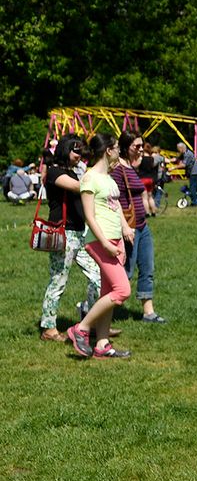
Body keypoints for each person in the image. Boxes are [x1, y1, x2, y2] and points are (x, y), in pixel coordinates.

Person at [66, 134, 135, 358]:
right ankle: (81, 328)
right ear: (108, 151)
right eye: (116, 148)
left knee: (109, 292)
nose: (119, 152)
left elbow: (115, 209)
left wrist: (123, 237)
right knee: (122, 290)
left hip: (114, 241)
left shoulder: (109, 179)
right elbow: (90, 216)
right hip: (99, 241)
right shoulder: (90, 178)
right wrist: (105, 243)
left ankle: (102, 345)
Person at [38, 135, 102, 343]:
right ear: (66, 150)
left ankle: (90, 322)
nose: (79, 156)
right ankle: (48, 328)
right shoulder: (55, 172)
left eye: (81, 152)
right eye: (76, 151)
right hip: (62, 234)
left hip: (80, 234)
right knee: (58, 281)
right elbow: (79, 187)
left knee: (98, 277)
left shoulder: (76, 171)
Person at [114, 132, 166, 323]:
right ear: (125, 146)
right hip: (129, 227)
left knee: (147, 268)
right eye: (136, 146)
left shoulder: (130, 166)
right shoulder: (118, 168)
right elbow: (115, 199)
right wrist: (125, 227)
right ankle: (95, 308)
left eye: (142, 146)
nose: (141, 149)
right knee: (125, 272)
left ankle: (148, 312)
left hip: (142, 226)